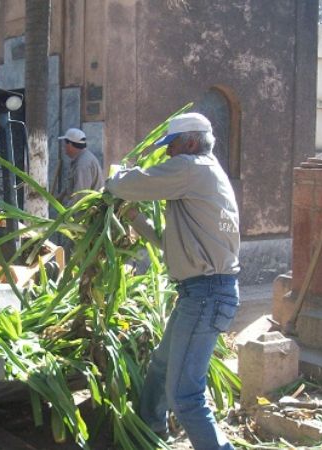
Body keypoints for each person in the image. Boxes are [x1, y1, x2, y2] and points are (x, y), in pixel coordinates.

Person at [105, 112, 240, 450]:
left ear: (191, 142)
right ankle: (150, 434)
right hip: (201, 292)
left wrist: (115, 175)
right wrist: (135, 219)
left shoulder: (192, 168)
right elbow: (171, 247)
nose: (167, 153)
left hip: (206, 295)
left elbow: (124, 185)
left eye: (172, 145)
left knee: (185, 396)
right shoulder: (206, 175)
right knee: (161, 367)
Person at [55, 128, 104, 206]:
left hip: (86, 214)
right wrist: (58, 198)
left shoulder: (83, 165)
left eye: (65, 144)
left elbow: (80, 196)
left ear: (70, 145)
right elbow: (71, 185)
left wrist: (65, 215)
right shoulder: (81, 159)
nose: (63, 147)